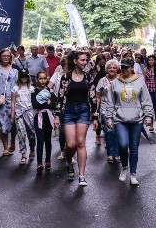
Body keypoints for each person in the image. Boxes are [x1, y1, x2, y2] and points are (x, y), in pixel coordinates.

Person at [103, 56, 153, 186]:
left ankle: (133, 173)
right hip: (120, 119)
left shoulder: (140, 81)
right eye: (122, 67)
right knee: (123, 145)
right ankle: (124, 167)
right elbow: (110, 102)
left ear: (132, 68)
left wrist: (148, 116)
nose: (123, 69)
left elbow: (146, 100)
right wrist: (108, 117)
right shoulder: (115, 83)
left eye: (126, 67)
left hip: (137, 119)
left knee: (134, 147)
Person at [58, 50, 92, 186]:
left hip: (83, 110)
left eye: (86, 60)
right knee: (71, 144)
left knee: (80, 142)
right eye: (82, 60)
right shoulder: (65, 77)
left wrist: (95, 115)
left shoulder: (88, 77)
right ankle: (69, 162)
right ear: (75, 61)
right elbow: (60, 97)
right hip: (69, 111)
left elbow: (93, 96)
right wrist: (57, 116)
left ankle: (82, 175)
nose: (85, 63)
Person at [0, 48, 18, 156]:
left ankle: (12, 140)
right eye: (4, 56)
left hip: (14, 99)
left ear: (11, 57)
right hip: (0, 100)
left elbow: (21, 83)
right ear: (0, 57)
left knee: (14, 124)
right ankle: (5, 147)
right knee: (2, 124)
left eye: (8, 55)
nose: (6, 57)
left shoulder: (15, 68)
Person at [94, 58, 120, 164]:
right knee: (109, 131)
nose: (112, 69)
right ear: (106, 69)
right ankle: (110, 153)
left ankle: (117, 153)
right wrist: (97, 110)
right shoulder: (102, 81)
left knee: (117, 132)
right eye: (110, 67)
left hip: (118, 110)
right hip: (105, 109)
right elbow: (98, 96)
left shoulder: (120, 80)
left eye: (114, 67)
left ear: (117, 69)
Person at [32, 71, 56, 173]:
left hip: (48, 117)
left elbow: (54, 104)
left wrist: (47, 104)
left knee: (48, 140)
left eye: (44, 78)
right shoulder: (34, 91)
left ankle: (48, 160)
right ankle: (39, 163)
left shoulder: (50, 91)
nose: (42, 81)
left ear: (47, 79)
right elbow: (35, 105)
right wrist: (47, 103)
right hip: (38, 117)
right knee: (40, 140)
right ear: (37, 79)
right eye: (40, 78)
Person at [11, 69, 36, 165]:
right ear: (19, 77)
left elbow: (34, 102)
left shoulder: (31, 88)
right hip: (19, 113)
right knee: (21, 134)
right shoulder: (15, 88)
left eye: (25, 76)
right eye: (22, 76)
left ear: (28, 77)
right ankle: (23, 155)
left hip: (30, 113)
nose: (24, 78)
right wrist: (12, 115)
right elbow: (13, 102)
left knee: (31, 134)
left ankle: (32, 149)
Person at [143, 53, 156, 132]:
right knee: (150, 108)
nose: (150, 61)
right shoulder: (145, 69)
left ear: (155, 61)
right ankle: (151, 125)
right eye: (149, 60)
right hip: (149, 90)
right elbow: (144, 80)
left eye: (152, 60)